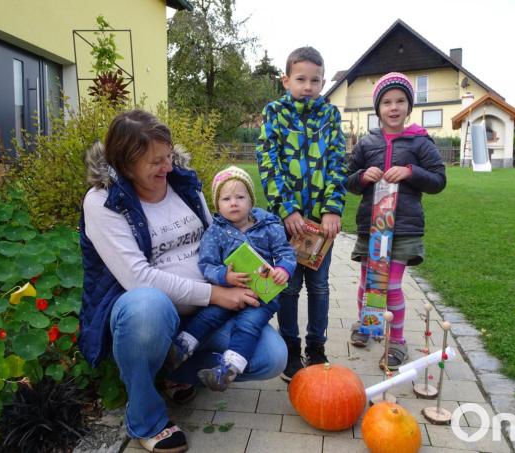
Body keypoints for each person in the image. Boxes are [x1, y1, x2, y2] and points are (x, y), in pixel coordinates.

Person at [79, 110, 287, 453]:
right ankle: (145, 418)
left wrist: (258, 230)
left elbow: (216, 232)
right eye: (155, 162)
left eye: (168, 156)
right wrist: (217, 294)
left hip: (205, 311)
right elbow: (137, 278)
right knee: (148, 305)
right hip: (149, 313)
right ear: (125, 165)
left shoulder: (182, 184)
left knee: (271, 357)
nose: (168, 168)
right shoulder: (103, 201)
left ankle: (173, 369)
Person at [256, 46, 347, 381]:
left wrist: (332, 209)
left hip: (322, 226)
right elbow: (268, 162)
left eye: (315, 80)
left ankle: (317, 347)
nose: (308, 86)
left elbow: (338, 161)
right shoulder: (274, 113)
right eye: (301, 79)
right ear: (286, 80)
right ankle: (290, 347)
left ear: (323, 82)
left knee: (320, 287)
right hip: (288, 224)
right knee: (289, 287)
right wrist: (286, 210)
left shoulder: (330, 115)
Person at [345, 72, 446, 370]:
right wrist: (363, 177)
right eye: (387, 102)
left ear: (408, 106)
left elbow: (439, 180)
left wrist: (411, 172)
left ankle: (398, 341)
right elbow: (348, 182)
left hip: (403, 229)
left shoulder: (420, 142)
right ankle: (369, 325)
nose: (393, 107)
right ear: (377, 108)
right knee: (367, 282)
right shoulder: (366, 143)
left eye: (400, 101)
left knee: (390, 286)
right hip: (371, 226)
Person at [168, 166, 297, 392]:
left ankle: (227, 369)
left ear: (251, 200)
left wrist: (283, 270)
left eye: (240, 197)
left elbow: (286, 253)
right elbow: (206, 264)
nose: (233, 203)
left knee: (248, 325)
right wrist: (224, 276)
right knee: (209, 315)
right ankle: (180, 349)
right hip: (226, 291)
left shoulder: (269, 226)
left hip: (261, 296)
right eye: (226, 198)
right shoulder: (215, 232)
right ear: (218, 206)